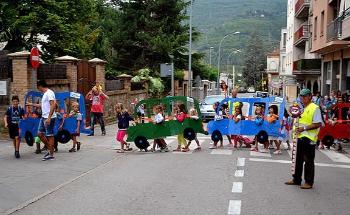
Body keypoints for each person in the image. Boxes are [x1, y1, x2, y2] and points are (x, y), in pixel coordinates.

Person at [285, 89, 323, 189]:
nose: (303, 98)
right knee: (297, 159)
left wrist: (304, 128)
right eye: (301, 96)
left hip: (309, 138)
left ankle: (309, 182)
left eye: (305, 96)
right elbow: (296, 118)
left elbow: (318, 123)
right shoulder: (302, 108)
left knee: (308, 161)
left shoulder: (315, 108)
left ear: (310, 96)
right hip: (299, 137)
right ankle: (296, 179)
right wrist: (291, 111)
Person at [35, 80, 57, 161]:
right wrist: (32, 104)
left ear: (40, 86)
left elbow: (53, 104)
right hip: (43, 117)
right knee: (39, 134)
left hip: (49, 117)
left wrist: (49, 117)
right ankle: (50, 148)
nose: (38, 89)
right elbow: (43, 105)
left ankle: (51, 154)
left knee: (50, 135)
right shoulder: (45, 94)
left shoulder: (49, 93)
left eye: (38, 87)